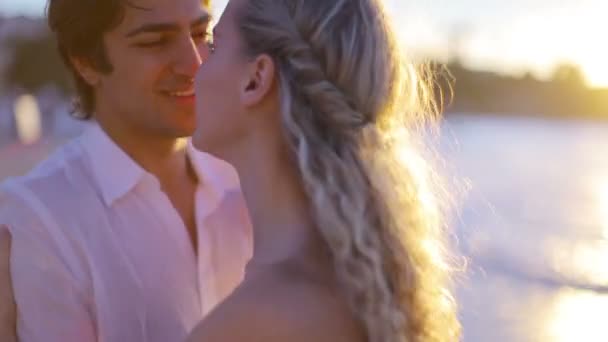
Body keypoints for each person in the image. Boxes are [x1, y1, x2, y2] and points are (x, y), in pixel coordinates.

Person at [187, 0, 460, 341]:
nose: (195, 66)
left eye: (214, 46)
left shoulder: (255, 322)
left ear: (255, 80)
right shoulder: (368, 283)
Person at [0, 0, 252, 341]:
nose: (195, 63)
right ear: (86, 62)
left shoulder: (251, 176)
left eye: (200, 33)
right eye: (155, 42)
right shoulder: (38, 215)